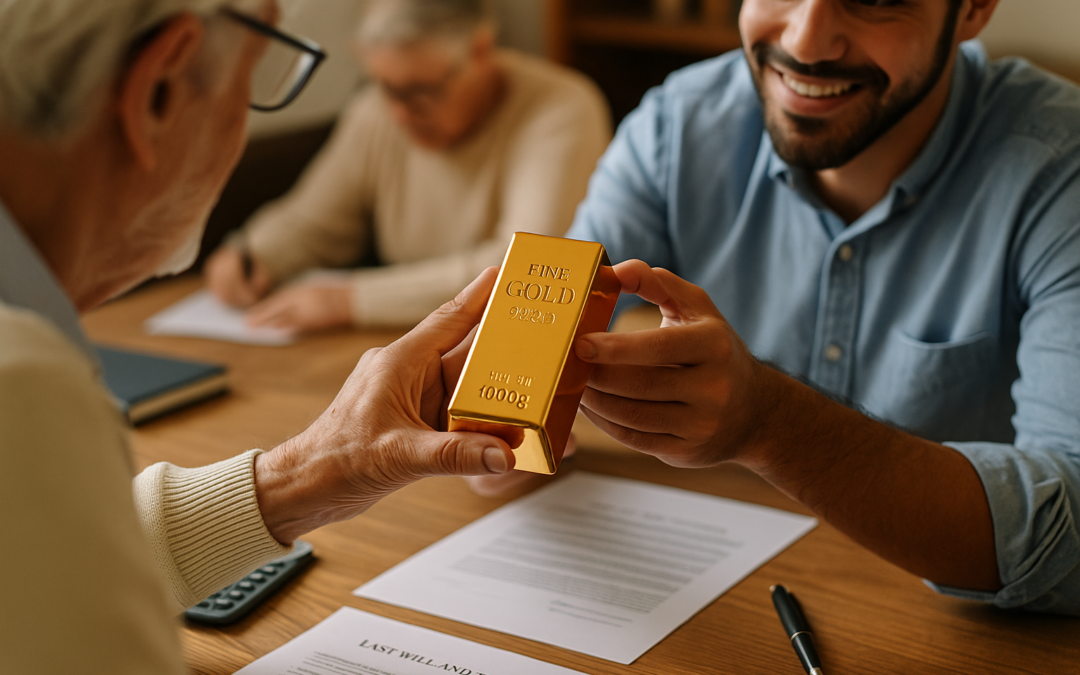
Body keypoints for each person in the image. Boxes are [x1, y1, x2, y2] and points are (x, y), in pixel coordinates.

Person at [0, 2, 517, 672]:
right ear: (159, 89)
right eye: (256, 77)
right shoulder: (21, 388)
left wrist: (311, 472)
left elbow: (42, 558)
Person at [551, 0, 1080, 615]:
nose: (806, 42)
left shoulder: (1061, 172)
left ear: (973, 11)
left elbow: (1070, 530)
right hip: (720, 590)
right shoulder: (678, 124)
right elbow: (549, 320)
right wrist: (499, 421)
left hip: (944, 629)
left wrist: (768, 421)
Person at [204, 0, 611, 332]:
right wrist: (253, 255)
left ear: (480, 50)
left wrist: (349, 300)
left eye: (419, 91)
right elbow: (314, 220)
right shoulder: (377, 111)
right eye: (384, 87)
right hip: (400, 342)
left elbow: (526, 274)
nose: (398, 114)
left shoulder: (563, 110)